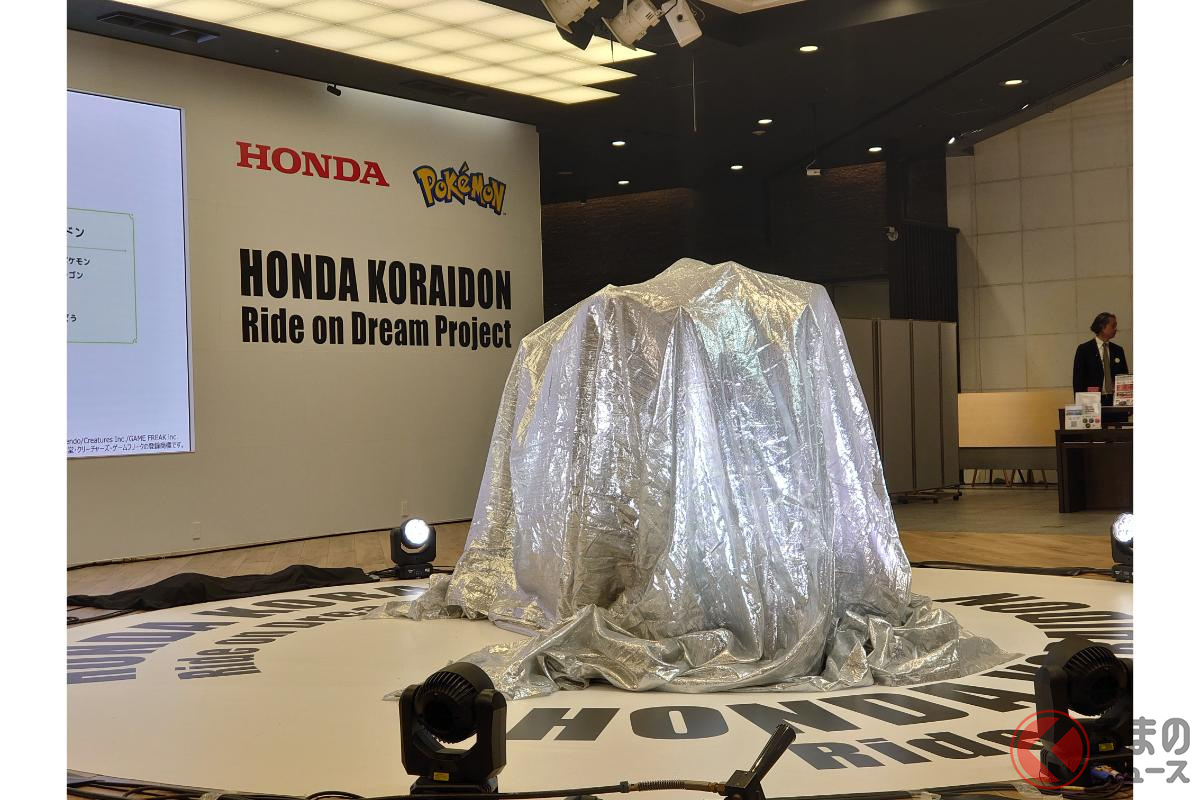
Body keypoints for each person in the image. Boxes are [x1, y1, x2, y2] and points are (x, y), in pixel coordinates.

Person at [1072, 312, 1129, 405]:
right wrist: (1079, 404)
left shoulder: (1118, 350)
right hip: (1092, 401)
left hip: (1115, 400)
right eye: (1113, 326)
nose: (1116, 329)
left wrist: (1127, 401)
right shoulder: (1084, 350)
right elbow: (1078, 380)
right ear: (1102, 327)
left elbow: (1124, 378)